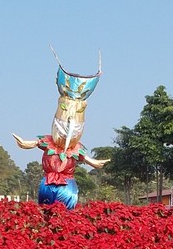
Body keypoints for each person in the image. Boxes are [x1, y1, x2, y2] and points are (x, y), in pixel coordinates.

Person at [12, 57, 108, 209]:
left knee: (66, 212)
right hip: (47, 183)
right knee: (45, 209)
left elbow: (87, 159)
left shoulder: (75, 148)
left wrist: (94, 162)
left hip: (67, 185)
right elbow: (33, 143)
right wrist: (25, 143)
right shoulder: (48, 142)